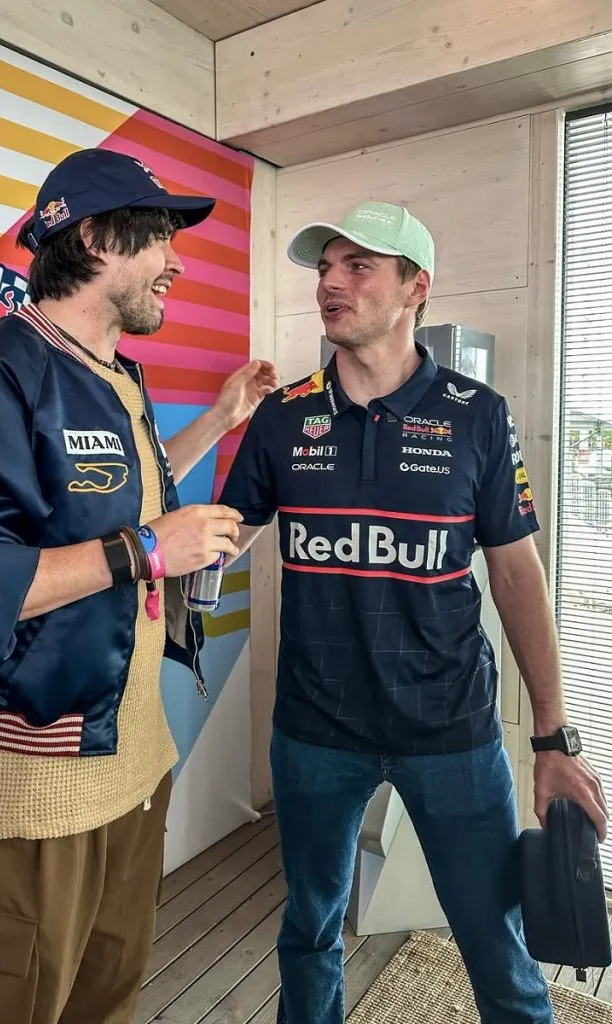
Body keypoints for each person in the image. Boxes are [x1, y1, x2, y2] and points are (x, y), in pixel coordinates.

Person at [0, 147, 278, 1024]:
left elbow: (127, 494)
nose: (176, 263)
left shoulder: (114, 374)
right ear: (94, 238)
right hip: (30, 791)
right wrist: (145, 550)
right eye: (159, 237)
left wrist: (220, 418)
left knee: (106, 1002)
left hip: (135, 765)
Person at [219, 201, 609, 1024]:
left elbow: (516, 574)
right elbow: (217, 539)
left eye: (357, 266)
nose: (329, 282)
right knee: (309, 929)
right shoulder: (282, 416)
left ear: (414, 288)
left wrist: (551, 737)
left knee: (495, 943)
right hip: (313, 729)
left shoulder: (477, 412)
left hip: (450, 730)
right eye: (325, 266)